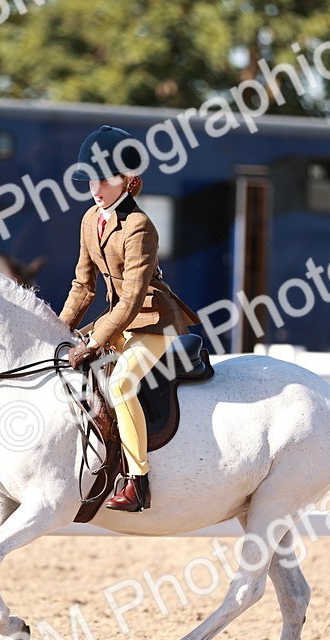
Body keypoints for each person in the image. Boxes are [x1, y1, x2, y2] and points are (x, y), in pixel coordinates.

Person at [61, 125, 198, 512]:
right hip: (119, 319)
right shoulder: (90, 219)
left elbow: (134, 298)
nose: (95, 188)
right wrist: (57, 328)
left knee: (121, 383)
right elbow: (82, 286)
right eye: (91, 179)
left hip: (154, 320)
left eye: (105, 180)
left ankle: (138, 481)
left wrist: (95, 340)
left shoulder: (140, 227)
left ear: (128, 180)